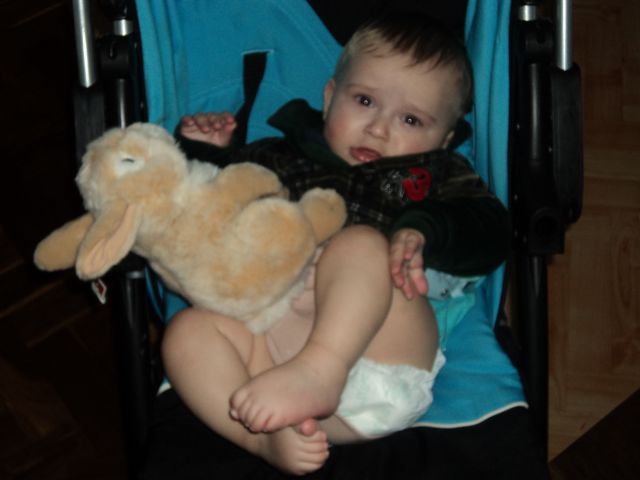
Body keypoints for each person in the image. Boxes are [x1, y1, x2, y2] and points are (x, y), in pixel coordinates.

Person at [161, 12, 508, 476]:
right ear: (329, 98)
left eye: (410, 119)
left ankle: (320, 369)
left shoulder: (440, 176)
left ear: (444, 140)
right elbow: (214, 205)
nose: (378, 128)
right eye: (364, 101)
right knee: (186, 332)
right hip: (272, 358)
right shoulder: (277, 156)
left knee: (360, 244)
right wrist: (207, 152)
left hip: (381, 351)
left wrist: (424, 229)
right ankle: (262, 440)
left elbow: (492, 231)